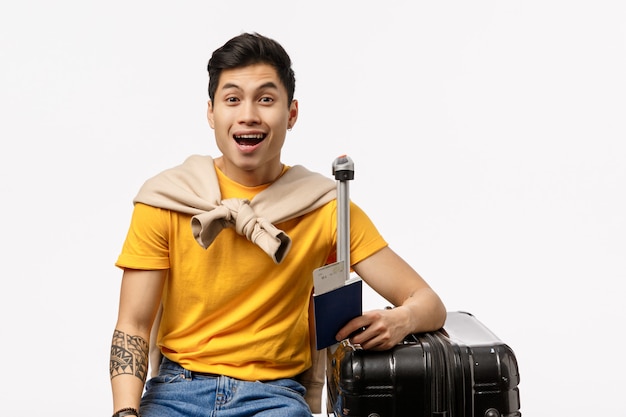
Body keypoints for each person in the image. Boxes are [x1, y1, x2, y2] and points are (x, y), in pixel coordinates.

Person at [109, 32, 446, 417]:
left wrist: (400, 319)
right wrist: (125, 412)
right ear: (211, 112)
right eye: (232, 99)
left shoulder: (326, 208)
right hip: (176, 390)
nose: (248, 114)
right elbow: (133, 325)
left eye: (265, 99)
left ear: (292, 113)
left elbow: (427, 302)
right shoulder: (167, 197)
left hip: (273, 398)